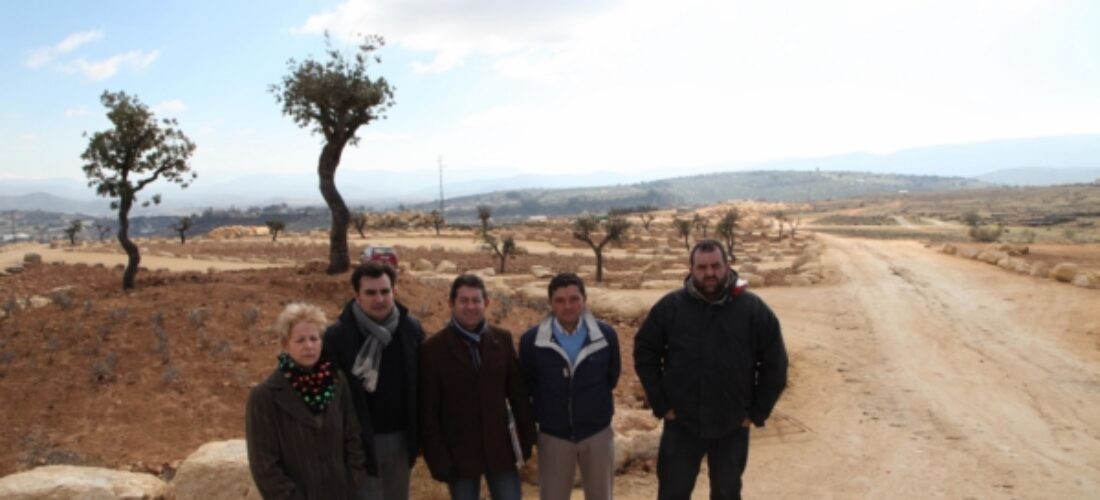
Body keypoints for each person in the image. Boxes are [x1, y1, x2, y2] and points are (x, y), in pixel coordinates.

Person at [634, 239, 788, 500]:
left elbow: (776, 364)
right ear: (691, 269)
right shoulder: (671, 307)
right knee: (672, 493)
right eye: (702, 267)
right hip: (681, 424)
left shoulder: (752, 309)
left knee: (727, 494)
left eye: (716, 266)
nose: (710, 273)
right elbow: (645, 352)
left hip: (732, 424)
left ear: (727, 265)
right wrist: (662, 404)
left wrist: (755, 412)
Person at [420, 274, 537, 500]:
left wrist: (527, 438)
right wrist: (437, 458)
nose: (470, 307)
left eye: (476, 300)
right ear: (451, 303)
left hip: (500, 450)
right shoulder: (433, 350)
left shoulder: (501, 340)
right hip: (459, 455)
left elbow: (518, 394)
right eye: (464, 301)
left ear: (487, 303)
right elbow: (429, 412)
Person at [323, 262, 425, 500]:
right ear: (357, 296)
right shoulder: (338, 336)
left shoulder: (410, 329)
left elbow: (422, 384)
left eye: (384, 291)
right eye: (370, 292)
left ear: (394, 292)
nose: (379, 298)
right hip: (357, 442)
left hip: (401, 440)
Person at [246, 302, 367, 499]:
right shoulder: (266, 395)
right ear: (285, 344)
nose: (309, 346)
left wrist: (352, 481)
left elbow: (352, 434)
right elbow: (263, 464)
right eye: (300, 340)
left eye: (314, 338)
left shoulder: (335, 382)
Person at [519, 273, 621, 500]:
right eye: (560, 300)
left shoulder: (605, 336)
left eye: (574, 299)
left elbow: (611, 377)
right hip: (554, 437)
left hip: (597, 434)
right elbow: (528, 384)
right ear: (550, 303)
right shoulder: (532, 341)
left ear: (584, 300)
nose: (568, 306)